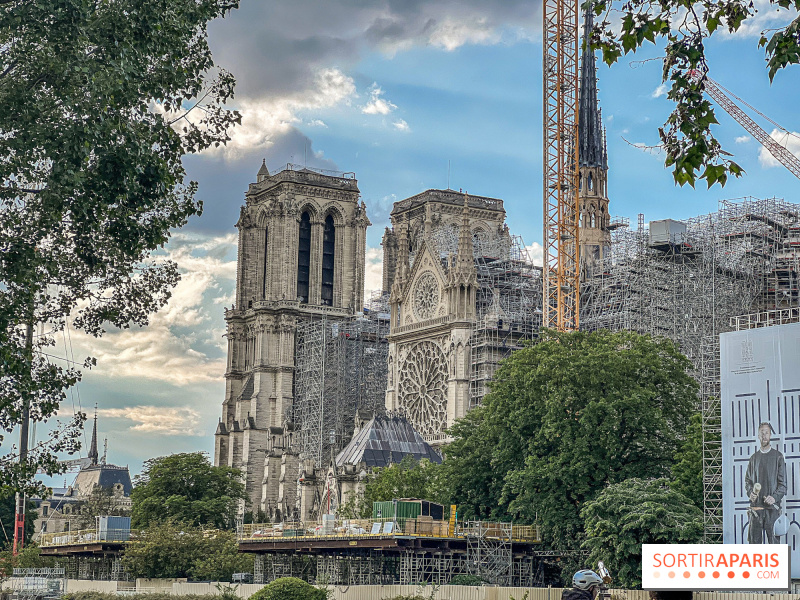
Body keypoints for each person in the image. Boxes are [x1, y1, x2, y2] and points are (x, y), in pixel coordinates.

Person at [744, 421, 786, 544]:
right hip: (756, 510)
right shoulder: (753, 458)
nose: (764, 436)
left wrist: (774, 497)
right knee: (754, 548)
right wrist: (750, 492)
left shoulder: (778, 457)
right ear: (758, 435)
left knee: (774, 548)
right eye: (762, 433)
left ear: (770, 435)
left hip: (772, 510)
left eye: (766, 433)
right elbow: (748, 482)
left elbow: (783, 485)